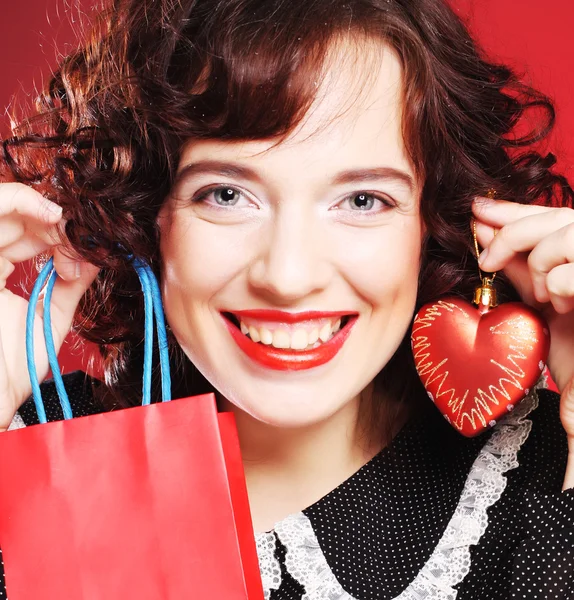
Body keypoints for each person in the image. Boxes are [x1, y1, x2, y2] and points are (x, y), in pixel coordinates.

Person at [1, 0, 574, 597]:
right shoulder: (30, 452)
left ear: (435, 220)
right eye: (225, 194)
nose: (288, 275)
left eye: (362, 201)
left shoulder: (541, 478)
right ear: (147, 213)